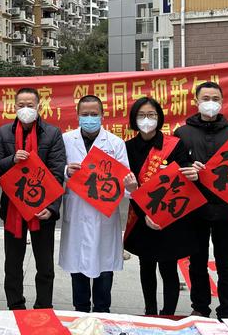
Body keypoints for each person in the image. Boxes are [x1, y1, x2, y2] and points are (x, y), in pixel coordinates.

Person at [59, 95, 135, 313]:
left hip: (104, 215)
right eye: (85, 114)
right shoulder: (66, 140)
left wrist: (129, 183)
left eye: (94, 114)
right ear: (77, 116)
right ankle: (81, 310)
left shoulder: (114, 143)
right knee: (78, 266)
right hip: (77, 210)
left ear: (102, 115)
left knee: (104, 267)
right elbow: (57, 170)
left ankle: (103, 311)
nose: (89, 118)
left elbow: (124, 178)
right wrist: (66, 172)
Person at [124, 97, 199, 315]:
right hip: (141, 216)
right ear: (133, 119)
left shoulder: (174, 144)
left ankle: (167, 314)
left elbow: (182, 179)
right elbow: (129, 187)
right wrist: (145, 214)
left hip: (169, 217)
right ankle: (150, 312)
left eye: (151, 115)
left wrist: (193, 172)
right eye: (141, 115)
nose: (146, 120)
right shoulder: (127, 147)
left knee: (168, 268)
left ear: (159, 118)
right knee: (146, 267)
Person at [0, 87, 66, 310]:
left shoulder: (52, 133)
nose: (25, 109)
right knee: (12, 265)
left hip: (41, 209)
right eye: (21, 105)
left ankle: (43, 307)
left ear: (39, 107)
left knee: (45, 265)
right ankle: (15, 306)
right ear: (14, 107)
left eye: (30, 105)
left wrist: (52, 208)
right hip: (13, 208)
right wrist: (12, 160)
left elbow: (57, 171)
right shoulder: (5, 132)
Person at [175, 81, 228, 319]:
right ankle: (200, 307)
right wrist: (188, 168)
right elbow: (174, 168)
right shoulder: (183, 133)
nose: (210, 103)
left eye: (215, 98)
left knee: (227, 260)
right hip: (195, 207)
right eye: (205, 98)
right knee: (197, 260)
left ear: (222, 102)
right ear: (196, 102)